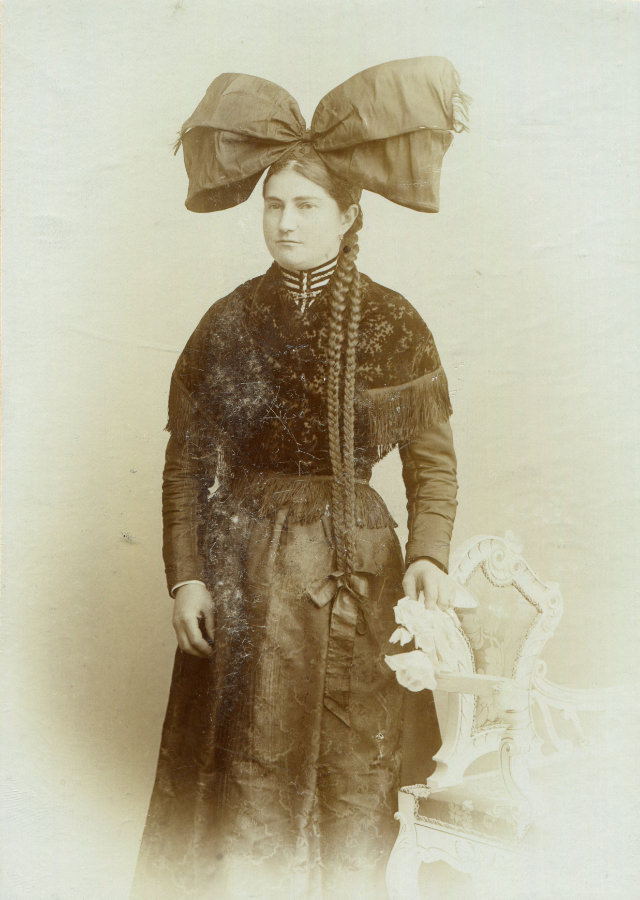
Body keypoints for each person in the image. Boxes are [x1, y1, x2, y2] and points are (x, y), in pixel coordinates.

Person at [131, 57, 468, 900]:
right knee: (245, 769)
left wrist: (428, 553)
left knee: (355, 764)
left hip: (359, 573)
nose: (285, 223)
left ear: (349, 214)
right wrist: (186, 574)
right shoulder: (229, 322)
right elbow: (186, 464)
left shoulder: (393, 322)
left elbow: (431, 459)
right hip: (245, 576)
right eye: (273, 205)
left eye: (305, 206)